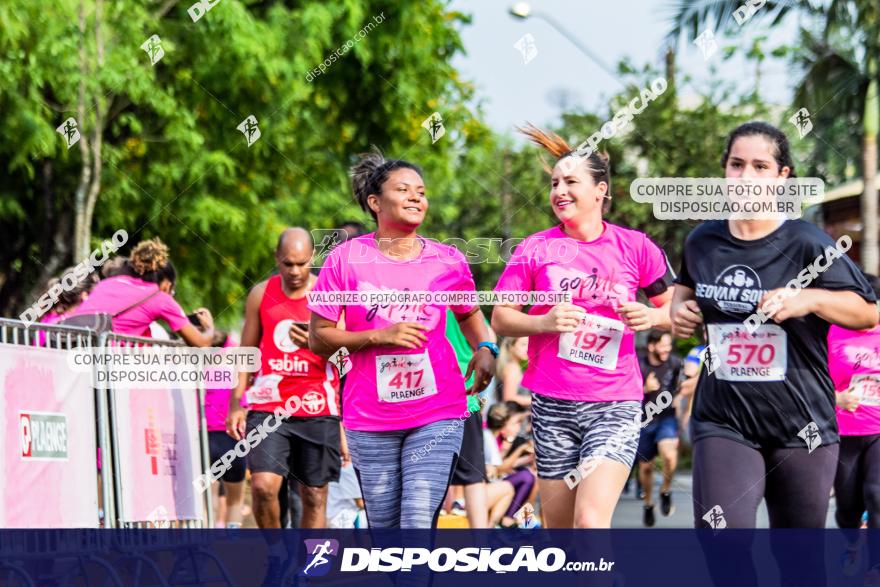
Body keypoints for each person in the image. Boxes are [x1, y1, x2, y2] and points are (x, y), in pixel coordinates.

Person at [671, 121, 878, 531]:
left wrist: (810, 298)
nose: (746, 176)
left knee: (799, 565)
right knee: (721, 537)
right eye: (736, 164)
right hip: (723, 417)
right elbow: (684, 290)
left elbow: (868, 311)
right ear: (725, 171)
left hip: (801, 422)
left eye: (760, 166)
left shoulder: (807, 243)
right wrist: (680, 311)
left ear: (782, 177)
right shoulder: (702, 240)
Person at [491, 125, 674, 528]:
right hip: (552, 405)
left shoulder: (636, 247)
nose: (559, 191)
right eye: (555, 183)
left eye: (571, 181)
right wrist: (543, 322)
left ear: (600, 190)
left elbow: (677, 304)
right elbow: (501, 315)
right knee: (560, 530)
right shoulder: (536, 248)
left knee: (590, 523)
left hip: (614, 404)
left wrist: (653, 315)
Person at [307, 149, 496, 528]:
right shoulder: (344, 260)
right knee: (385, 529)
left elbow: (471, 315)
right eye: (404, 190)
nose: (416, 198)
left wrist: (487, 348)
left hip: (437, 409)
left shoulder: (448, 261)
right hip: (370, 415)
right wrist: (379, 336)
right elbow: (318, 338)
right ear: (375, 202)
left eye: (421, 192)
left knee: (415, 521)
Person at [226, 227, 344, 531]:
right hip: (269, 406)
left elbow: (346, 360)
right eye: (288, 263)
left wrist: (316, 342)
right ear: (277, 258)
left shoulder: (328, 296)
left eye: (302, 263)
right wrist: (236, 403)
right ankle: (278, 560)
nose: (295, 271)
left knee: (314, 495)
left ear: (312, 258)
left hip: (317, 407)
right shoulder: (260, 294)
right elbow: (246, 352)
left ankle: (309, 568)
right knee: (263, 487)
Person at [69, 238, 215, 346]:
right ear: (166, 285)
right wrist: (209, 328)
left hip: (72, 352)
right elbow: (201, 344)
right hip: (106, 369)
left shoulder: (106, 283)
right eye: (172, 291)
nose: (171, 295)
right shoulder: (160, 298)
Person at [829, 274, 880, 576]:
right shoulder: (831, 332)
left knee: (877, 495)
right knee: (847, 508)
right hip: (842, 432)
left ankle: (875, 564)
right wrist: (836, 397)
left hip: (878, 430)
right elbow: (810, 380)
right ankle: (851, 541)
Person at [636, 330, 682, 526]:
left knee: (669, 456)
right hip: (644, 421)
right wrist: (644, 389)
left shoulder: (675, 363)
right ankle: (648, 504)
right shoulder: (639, 364)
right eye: (663, 345)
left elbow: (681, 387)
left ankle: (665, 490)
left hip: (666, 419)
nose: (667, 349)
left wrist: (680, 409)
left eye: (669, 345)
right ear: (651, 345)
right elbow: (625, 392)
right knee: (646, 467)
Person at [203, 331, 246, 529]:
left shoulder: (200, 366)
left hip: (205, 437)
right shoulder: (238, 370)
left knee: (205, 495)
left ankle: (205, 536)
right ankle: (233, 536)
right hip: (233, 437)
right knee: (235, 497)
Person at [485, 403, 537, 527]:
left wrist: (529, 458)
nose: (520, 427)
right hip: (489, 485)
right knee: (527, 477)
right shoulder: (491, 437)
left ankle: (525, 521)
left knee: (534, 477)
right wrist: (521, 448)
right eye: (517, 422)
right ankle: (509, 521)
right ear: (505, 423)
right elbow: (501, 468)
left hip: (496, 482)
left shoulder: (506, 438)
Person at [497, 337, 531, 408]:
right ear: (511, 347)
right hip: (514, 415)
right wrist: (535, 400)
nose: (528, 348)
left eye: (529, 344)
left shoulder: (516, 366)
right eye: (523, 344)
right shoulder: (512, 369)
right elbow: (509, 398)